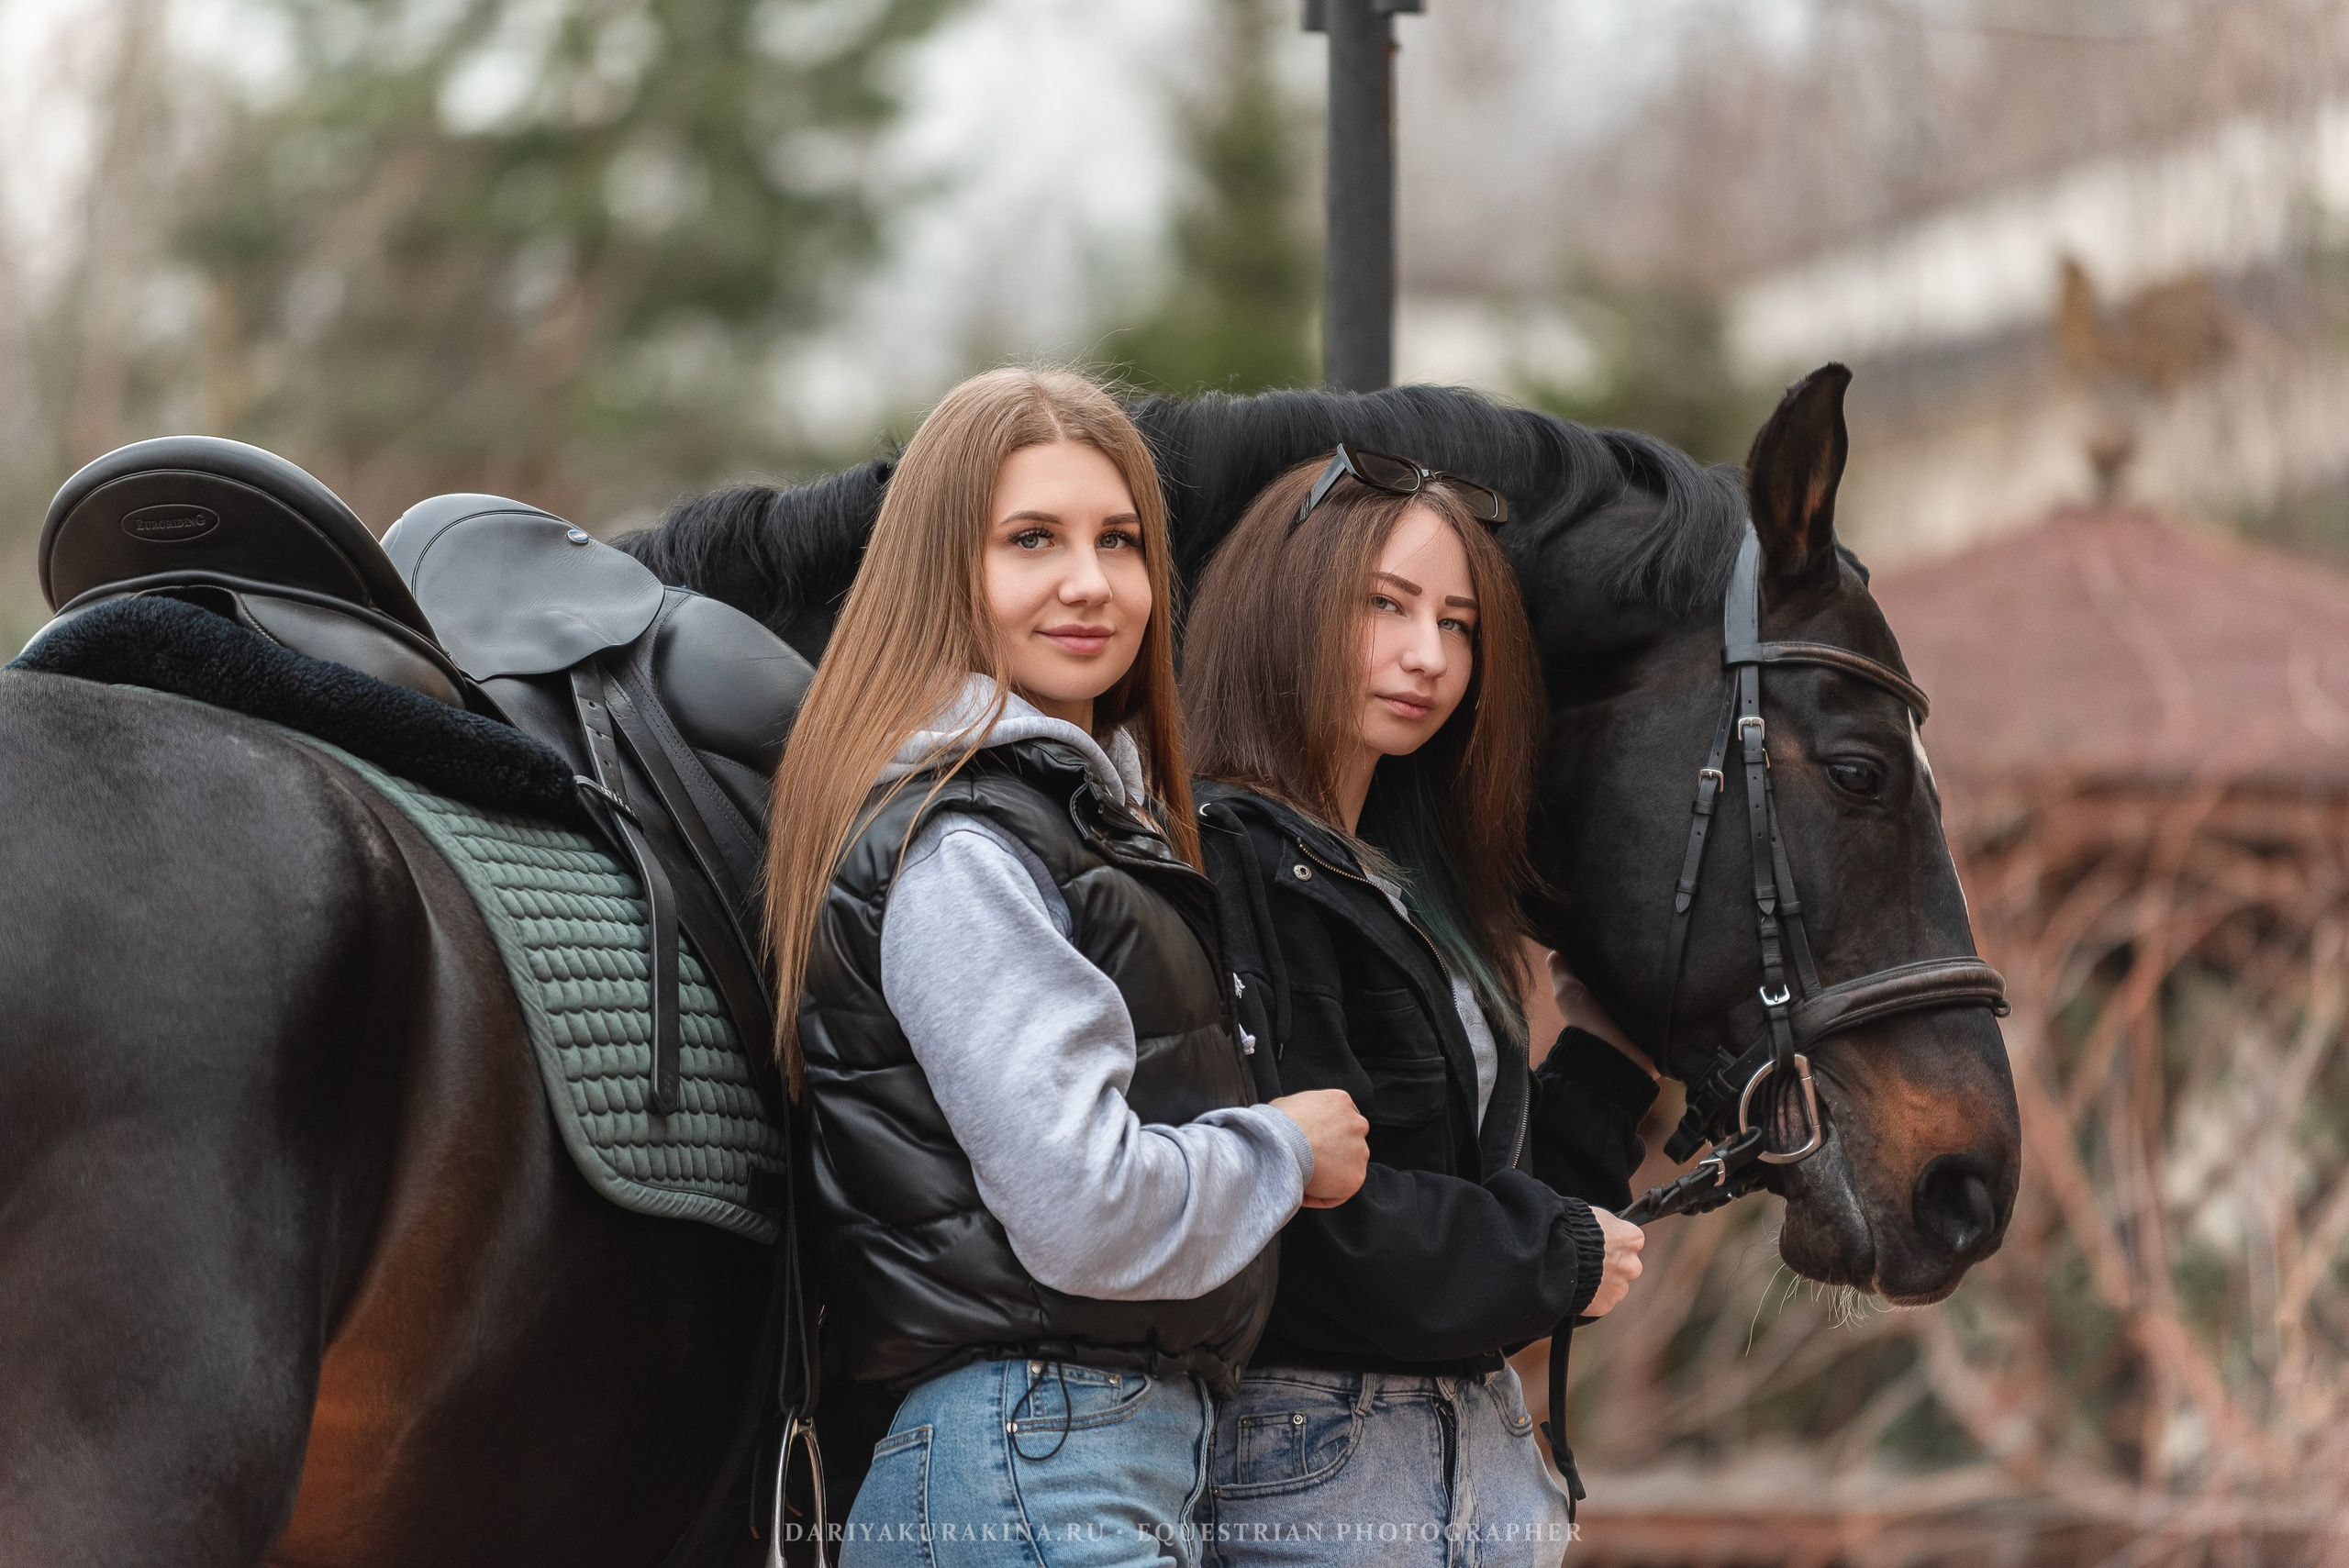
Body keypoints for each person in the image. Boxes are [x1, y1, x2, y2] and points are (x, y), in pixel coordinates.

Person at [765, 369, 1373, 1568]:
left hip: (1076, 1458)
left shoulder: (1069, 815)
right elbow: (1082, 1208)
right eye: (1031, 539)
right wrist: (1285, 1149)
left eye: (1121, 541)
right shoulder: (966, 841)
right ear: (945, 570)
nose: (1090, 582)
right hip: (1036, 1459)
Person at [1180, 446, 1660, 1567]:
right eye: (1385, 607)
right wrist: (1550, 1258)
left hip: (1468, 1449)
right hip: (1321, 1459)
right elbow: (1304, 1224)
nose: (1427, 656)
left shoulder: (1399, 878)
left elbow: (1474, 1189)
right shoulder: (1225, 854)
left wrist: (1604, 1070)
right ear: (1280, 607)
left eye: (1457, 624)